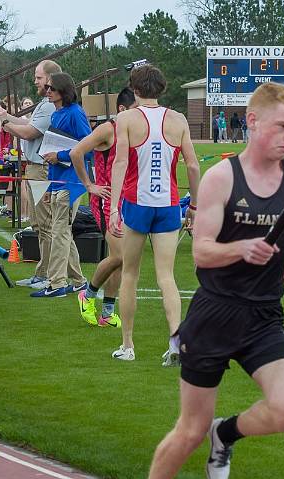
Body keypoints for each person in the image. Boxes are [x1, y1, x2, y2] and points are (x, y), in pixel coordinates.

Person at [147, 82, 284, 479]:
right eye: (282, 127)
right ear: (253, 121)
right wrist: (241, 249)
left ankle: (224, 433)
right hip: (215, 313)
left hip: (263, 315)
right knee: (188, 431)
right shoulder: (221, 178)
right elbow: (202, 253)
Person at [109, 64, 200, 363]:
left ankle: (128, 345)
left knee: (130, 275)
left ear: (134, 90)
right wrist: (195, 207)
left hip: (137, 203)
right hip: (168, 205)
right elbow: (193, 166)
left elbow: (120, 162)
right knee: (166, 277)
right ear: (161, 88)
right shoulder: (178, 119)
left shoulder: (126, 118)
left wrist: (113, 209)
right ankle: (176, 342)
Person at [0, 60, 62, 291]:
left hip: (40, 169)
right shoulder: (45, 104)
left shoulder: (50, 106)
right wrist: (6, 116)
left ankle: (49, 275)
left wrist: (4, 122)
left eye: (39, 77)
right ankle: (42, 273)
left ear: (50, 80)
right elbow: (27, 123)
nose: (35, 81)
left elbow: (31, 132)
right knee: (38, 223)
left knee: (45, 223)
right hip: (34, 168)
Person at [71, 87, 137, 325]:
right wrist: (90, 185)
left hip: (127, 200)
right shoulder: (107, 129)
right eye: (135, 110)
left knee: (120, 258)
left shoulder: (133, 130)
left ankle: (108, 312)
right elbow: (76, 152)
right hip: (106, 200)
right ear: (122, 109)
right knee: (119, 255)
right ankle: (87, 295)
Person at [33, 72, 90, 298]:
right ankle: (78, 281)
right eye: (47, 87)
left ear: (62, 91)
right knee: (62, 233)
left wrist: (62, 154)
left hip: (73, 183)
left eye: (51, 88)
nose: (47, 91)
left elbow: (88, 147)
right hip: (58, 182)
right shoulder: (57, 115)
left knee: (59, 233)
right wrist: (49, 186)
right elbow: (51, 151)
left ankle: (56, 284)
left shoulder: (76, 113)